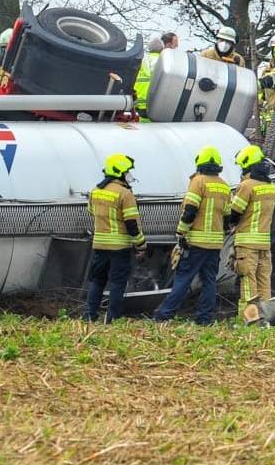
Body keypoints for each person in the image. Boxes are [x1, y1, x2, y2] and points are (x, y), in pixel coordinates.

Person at [153, 146, 231, 324]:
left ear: (199, 163)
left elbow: (190, 210)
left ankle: (164, 315)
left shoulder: (198, 182)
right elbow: (227, 217)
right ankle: (204, 319)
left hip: (195, 243)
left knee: (183, 279)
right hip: (215, 245)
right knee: (209, 281)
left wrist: (181, 232)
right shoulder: (224, 186)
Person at [84, 154, 148, 323]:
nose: (130, 175)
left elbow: (91, 212)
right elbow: (132, 224)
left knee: (97, 281)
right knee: (117, 283)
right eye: (128, 172)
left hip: (99, 245)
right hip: (119, 247)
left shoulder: (95, 191)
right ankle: (113, 318)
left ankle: (89, 316)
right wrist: (140, 245)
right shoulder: (125, 194)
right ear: (120, 172)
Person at [228, 145, 275, 319]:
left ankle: (248, 319)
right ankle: (267, 318)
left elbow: (235, 212)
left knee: (248, 282)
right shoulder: (271, 187)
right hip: (264, 243)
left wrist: (230, 224)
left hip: (247, 244)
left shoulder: (247, 186)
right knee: (264, 282)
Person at [134, 36, 164, 121]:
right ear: (162, 49)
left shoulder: (142, 60)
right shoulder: (165, 61)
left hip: (138, 103)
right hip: (155, 104)